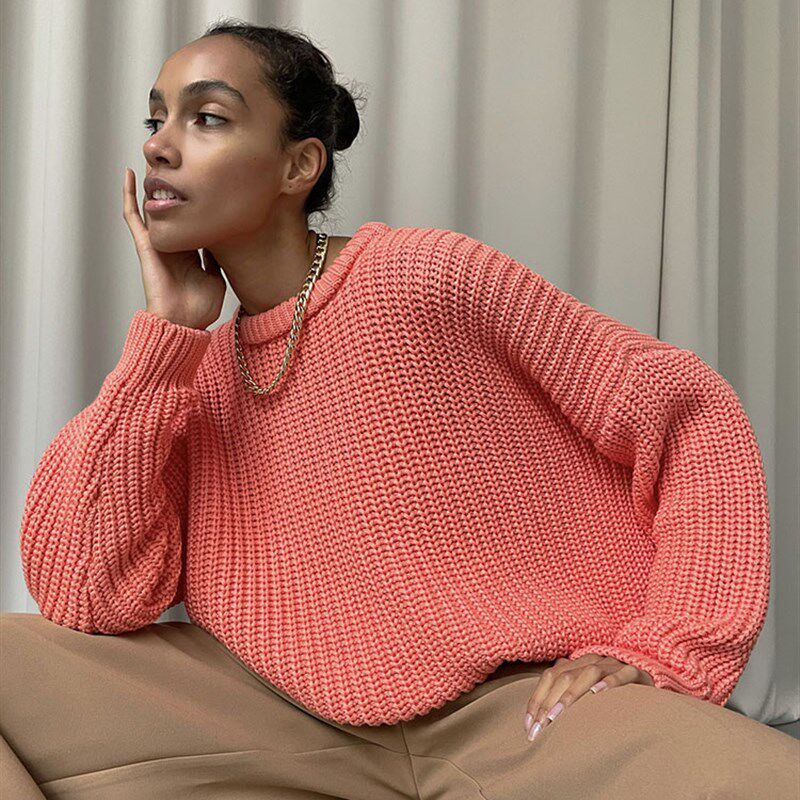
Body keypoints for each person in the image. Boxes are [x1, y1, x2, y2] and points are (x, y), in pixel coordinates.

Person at [2, 18, 798, 800]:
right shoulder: (192, 374)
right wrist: (166, 338)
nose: (158, 146)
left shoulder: (422, 277)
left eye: (206, 117)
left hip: (525, 712)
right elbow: (86, 596)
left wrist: (669, 650)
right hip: (280, 720)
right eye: (156, 119)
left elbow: (691, 416)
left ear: (299, 165)